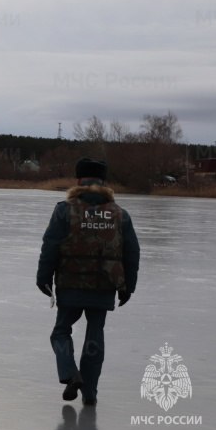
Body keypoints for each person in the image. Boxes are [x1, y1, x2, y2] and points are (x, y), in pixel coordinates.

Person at [37, 157, 140, 406]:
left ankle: (70, 373)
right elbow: (132, 252)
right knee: (95, 334)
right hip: (104, 285)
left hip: (70, 283)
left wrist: (43, 277)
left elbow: (50, 245)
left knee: (61, 331)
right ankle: (90, 393)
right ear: (104, 182)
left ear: (78, 180)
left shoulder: (64, 210)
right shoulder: (119, 215)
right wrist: (128, 287)